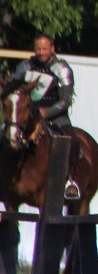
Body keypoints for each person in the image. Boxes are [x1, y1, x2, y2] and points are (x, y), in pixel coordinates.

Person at [1, 33, 82, 198]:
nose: (41, 52)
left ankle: (70, 181)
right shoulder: (25, 66)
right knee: (5, 137)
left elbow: (66, 99)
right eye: (38, 48)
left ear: (52, 49)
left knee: (72, 141)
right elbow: (14, 89)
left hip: (55, 116)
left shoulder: (62, 68)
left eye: (44, 48)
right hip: (26, 114)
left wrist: (46, 111)